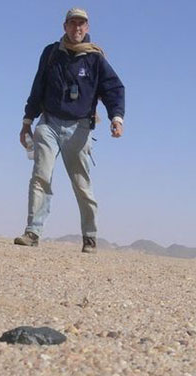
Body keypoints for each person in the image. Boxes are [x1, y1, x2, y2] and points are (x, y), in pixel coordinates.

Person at [15, 7, 125, 253]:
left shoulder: (95, 58)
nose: (77, 28)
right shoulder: (51, 53)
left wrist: (116, 118)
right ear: (64, 26)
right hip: (49, 123)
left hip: (80, 128)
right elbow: (37, 87)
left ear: (87, 28)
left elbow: (114, 89)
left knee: (82, 184)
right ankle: (33, 232)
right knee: (40, 175)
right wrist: (26, 121)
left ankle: (90, 237)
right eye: (73, 23)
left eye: (82, 24)